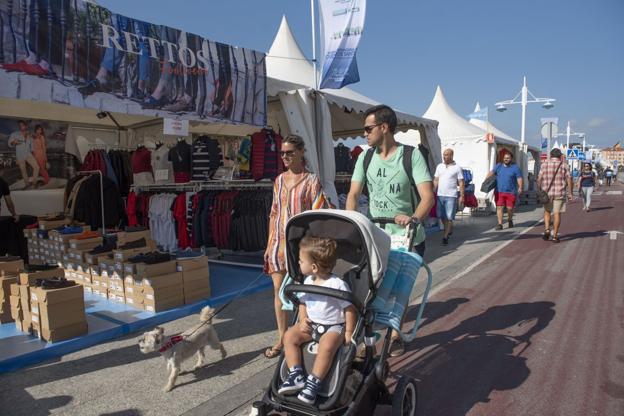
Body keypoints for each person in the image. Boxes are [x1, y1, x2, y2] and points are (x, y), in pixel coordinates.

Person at [346, 104, 434, 356]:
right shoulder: (365, 157)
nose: (364, 133)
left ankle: (395, 334)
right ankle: (369, 341)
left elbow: (427, 196)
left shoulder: (411, 155)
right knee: (370, 290)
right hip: (377, 235)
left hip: (407, 235)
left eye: (368, 128)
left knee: (399, 289)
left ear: (384, 128)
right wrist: (353, 219)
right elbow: (353, 193)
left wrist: (415, 218)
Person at [263, 134, 330, 359]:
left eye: (290, 152)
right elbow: (274, 213)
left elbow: (319, 213)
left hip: (301, 245)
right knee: (277, 291)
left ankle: (304, 331)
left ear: (301, 152)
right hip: (278, 244)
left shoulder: (312, 180)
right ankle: (281, 337)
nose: (285, 157)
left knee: (303, 292)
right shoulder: (279, 180)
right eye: (282, 153)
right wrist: (269, 242)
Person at [278, 236, 356, 404]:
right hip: (312, 324)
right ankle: (296, 374)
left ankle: (314, 382)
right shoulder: (308, 280)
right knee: (289, 336)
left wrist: (349, 331)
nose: (298, 263)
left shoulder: (337, 285)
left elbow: (349, 308)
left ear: (313, 267)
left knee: (326, 347)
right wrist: (303, 319)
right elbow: (303, 302)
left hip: (333, 326)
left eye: (300, 261)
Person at [537, 148, 572, 243]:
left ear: (551, 156)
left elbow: (539, 179)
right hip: (559, 193)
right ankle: (555, 236)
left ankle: (547, 229)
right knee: (557, 214)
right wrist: (570, 193)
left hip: (547, 194)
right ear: (560, 156)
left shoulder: (544, 165)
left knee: (547, 211)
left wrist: (539, 190)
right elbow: (569, 179)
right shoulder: (564, 165)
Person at [433, 148, 464, 245]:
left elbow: (461, 182)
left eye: (446, 154)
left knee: (449, 217)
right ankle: (449, 228)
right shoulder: (439, 166)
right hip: (440, 195)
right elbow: (436, 180)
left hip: (451, 196)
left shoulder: (457, 168)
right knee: (441, 216)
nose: (444, 156)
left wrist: (462, 196)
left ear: (451, 155)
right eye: (443, 154)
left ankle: (445, 237)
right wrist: (433, 191)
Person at [486, 152, 523, 230]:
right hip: (499, 191)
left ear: (511, 159)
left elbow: (519, 178)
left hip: (511, 191)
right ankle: (500, 224)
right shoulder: (498, 166)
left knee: (510, 208)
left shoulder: (515, 168)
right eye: (505, 158)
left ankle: (510, 219)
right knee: (499, 207)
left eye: (508, 158)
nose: (506, 159)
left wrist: (520, 187)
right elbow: (491, 172)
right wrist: (486, 180)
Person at [8, 120, 39, 189]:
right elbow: (10, 144)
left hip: (28, 154)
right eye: (19, 125)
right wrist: (13, 142)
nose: (20, 126)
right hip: (20, 155)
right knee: (23, 171)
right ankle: (27, 185)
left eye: (22, 125)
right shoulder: (14, 134)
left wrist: (33, 152)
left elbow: (32, 145)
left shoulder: (29, 135)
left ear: (26, 126)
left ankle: (34, 184)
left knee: (37, 167)